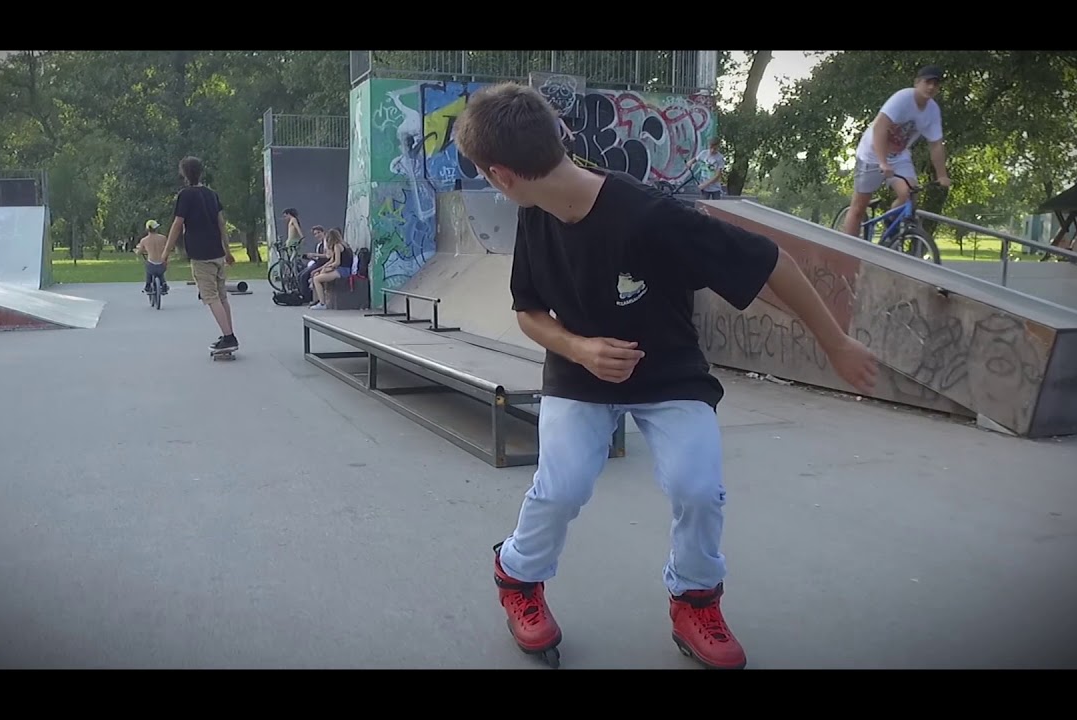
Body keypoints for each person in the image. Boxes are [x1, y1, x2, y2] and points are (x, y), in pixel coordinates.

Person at [452, 82, 880, 670]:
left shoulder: (650, 216)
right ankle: (519, 578)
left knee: (696, 487)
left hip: (670, 374)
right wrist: (579, 348)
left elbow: (770, 260)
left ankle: (695, 600)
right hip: (581, 375)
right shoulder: (537, 213)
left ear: (501, 176)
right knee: (563, 485)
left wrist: (836, 343)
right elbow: (528, 312)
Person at [843, 65, 952, 238]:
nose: (931, 87)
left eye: (936, 84)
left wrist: (942, 175)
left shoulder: (932, 111)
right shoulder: (902, 98)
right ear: (917, 83)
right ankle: (847, 254)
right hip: (872, 154)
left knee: (909, 194)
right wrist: (882, 162)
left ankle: (890, 226)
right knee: (858, 208)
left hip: (898, 156)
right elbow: (880, 127)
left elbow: (936, 145)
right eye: (927, 82)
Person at [161, 156, 238, 352]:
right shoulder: (212, 194)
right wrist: (228, 251)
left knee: (210, 297)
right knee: (222, 297)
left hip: (200, 254)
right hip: (218, 253)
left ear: (184, 174)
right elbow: (221, 223)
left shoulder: (185, 195)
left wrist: (165, 253)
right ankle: (229, 333)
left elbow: (177, 225)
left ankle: (228, 337)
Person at [309, 228, 353, 310]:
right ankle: (321, 300)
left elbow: (337, 262)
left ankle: (322, 303)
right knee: (317, 274)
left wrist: (328, 268)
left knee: (316, 279)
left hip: (342, 270)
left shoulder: (337, 246)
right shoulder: (343, 245)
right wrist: (324, 267)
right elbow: (331, 260)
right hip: (342, 269)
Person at [135, 219, 171, 295]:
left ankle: (148, 286)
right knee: (161, 274)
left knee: (148, 270)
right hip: (162, 263)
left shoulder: (144, 240)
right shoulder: (163, 238)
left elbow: (140, 252)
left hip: (151, 264)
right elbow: (167, 248)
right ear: (156, 228)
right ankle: (164, 284)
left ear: (147, 229)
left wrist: (136, 251)